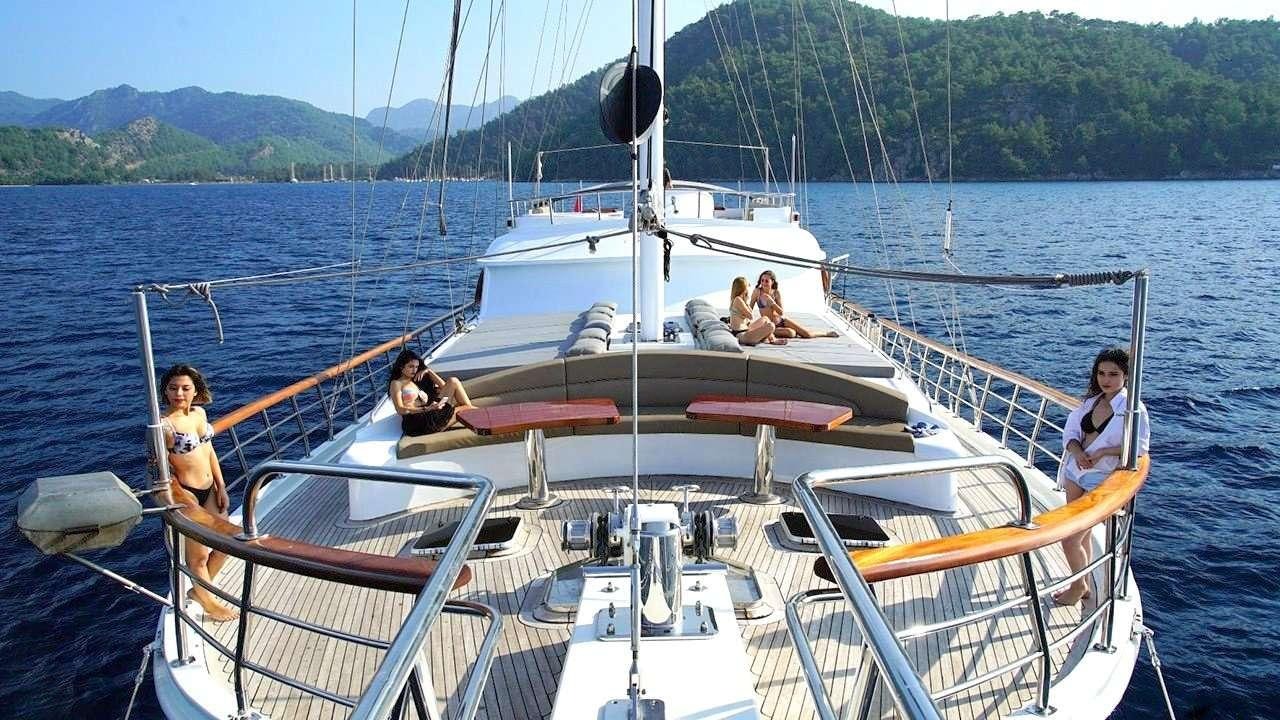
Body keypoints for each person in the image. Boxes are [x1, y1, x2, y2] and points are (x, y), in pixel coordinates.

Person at [1053, 347, 1151, 606]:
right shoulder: (1091, 401)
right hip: (1075, 473)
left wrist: (1104, 451)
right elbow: (1071, 431)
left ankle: (1077, 587)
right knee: (1080, 536)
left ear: (1126, 376)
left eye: (1113, 374)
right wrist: (1076, 451)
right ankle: (1082, 584)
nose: (1105, 379)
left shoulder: (1133, 408)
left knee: (1070, 537)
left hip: (1102, 479)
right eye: (1101, 373)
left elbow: (1139, 447)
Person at [159, 364, 236, 622]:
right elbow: (158, 467)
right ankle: (209, 603)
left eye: (185, 388)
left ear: (195, 391)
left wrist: (221, 486)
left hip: (210, 490)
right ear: (165, 392)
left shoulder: (200, 414)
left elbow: (209, 451)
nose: (179, 393)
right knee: (199, 556)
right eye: (173, 388)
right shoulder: (165, 426)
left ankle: (200, 591)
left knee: (227, 544)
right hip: (189, 495)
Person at [388, 349, 474, 435]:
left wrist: (429, 371)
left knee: (453, 381)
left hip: (430, 413)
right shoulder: (396, 383)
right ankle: (483, 416)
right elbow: (400, 409)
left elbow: (445, 387)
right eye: (410, 366)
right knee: (467, 408)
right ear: (401, 367)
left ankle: (480, 416)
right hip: (418, 422)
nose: (414, 370)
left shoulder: (416, 380)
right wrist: (426, 409)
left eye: (416, 367)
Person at [750, 269, 838, 339]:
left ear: (772, 282)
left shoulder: (776, 293)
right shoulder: (757, 292)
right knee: (791, 333)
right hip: (769, 325)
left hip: (781, 321)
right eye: (762, 280)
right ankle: (775, 331)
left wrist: (772, 303)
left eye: (766, 281)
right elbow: (750, 308)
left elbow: (781, 312)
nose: (764, 283)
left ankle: (825, 333)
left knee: (807, 334)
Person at [728, 276, 785, 346]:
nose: (747, 289)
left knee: (765, 318)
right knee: (771, 326)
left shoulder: (736, 299)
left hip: (744, 330)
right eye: (746, 287)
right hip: (742, 335)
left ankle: (773, 339)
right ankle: (771, 339)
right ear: (742, 288)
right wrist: (746, 302)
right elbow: (750, 316)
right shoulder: (738, 299)